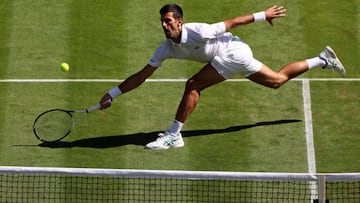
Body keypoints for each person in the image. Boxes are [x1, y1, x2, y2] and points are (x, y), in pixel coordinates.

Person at [99, 4, 345, 150]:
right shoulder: (166, 48)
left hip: (233, 52)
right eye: (162, 22)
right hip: (233, 56)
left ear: (179, 22)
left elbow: (233, 22)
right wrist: (113, 93)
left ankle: (174, 135)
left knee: (193, 84)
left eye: (168, 21)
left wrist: (263, 14)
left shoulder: (199, 31)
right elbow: (142, 75)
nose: (164, 25)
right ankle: (322, 59)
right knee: (277, 81)